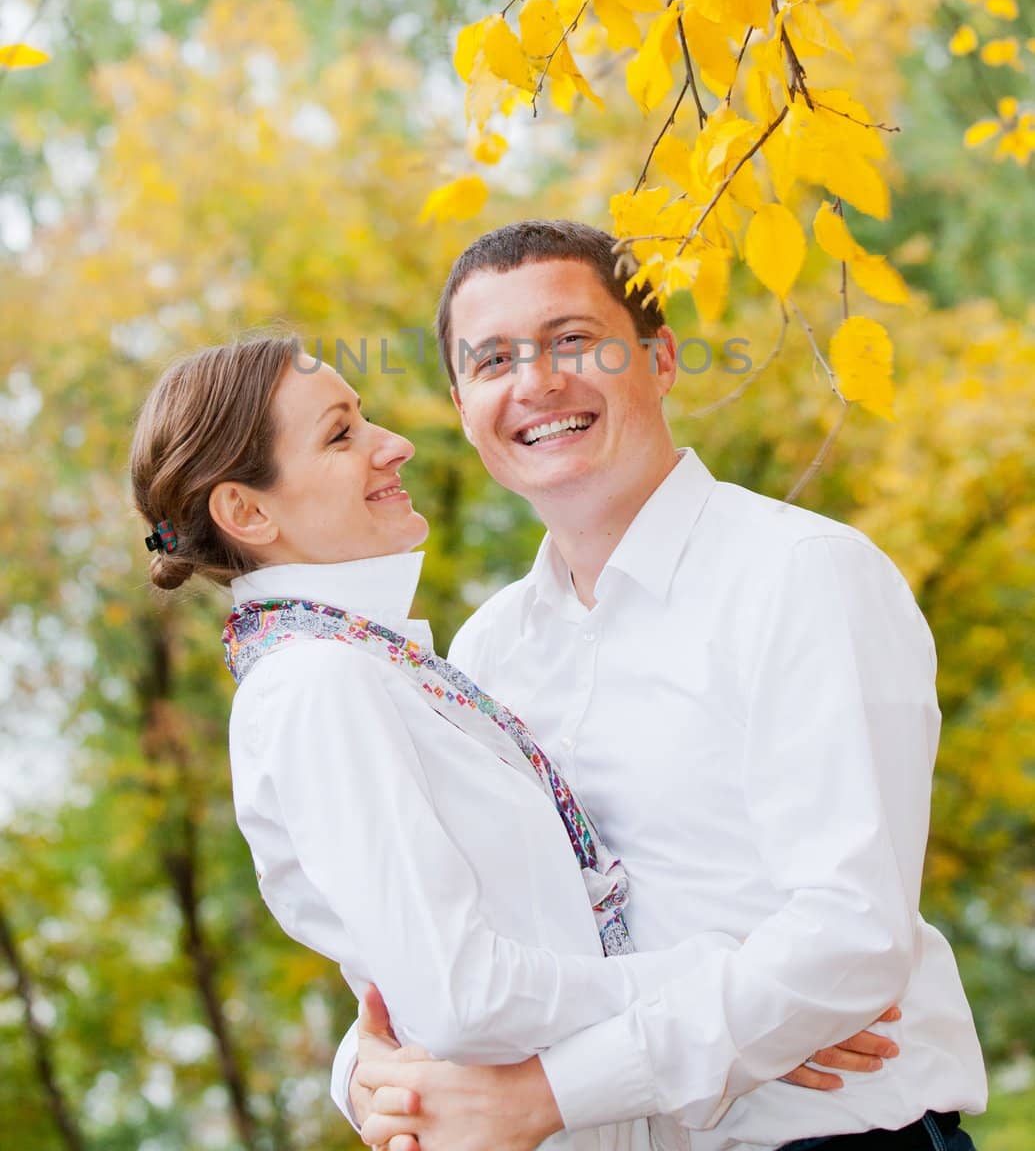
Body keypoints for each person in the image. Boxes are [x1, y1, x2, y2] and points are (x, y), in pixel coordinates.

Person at [129, 336, 887, 1151]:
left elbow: (429, 977)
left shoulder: (392, 670)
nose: (395, 443)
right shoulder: (319, 686)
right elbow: (462, 998)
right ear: (247, 512)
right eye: (341, 434)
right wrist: (729, 985)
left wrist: (757, 1015)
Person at [343, 220, 986, 1151]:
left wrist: (553, 1094)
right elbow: (457, 934)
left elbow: (848, 937)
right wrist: (372, 1078)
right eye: (492, 360)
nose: (537, 382)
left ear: (662, 357)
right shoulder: (483, 655)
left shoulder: (803, 576)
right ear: (461, 402)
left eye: (572, 340)